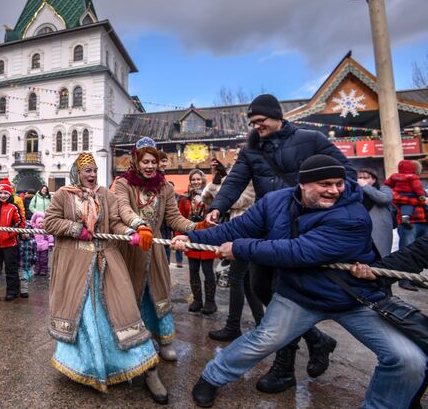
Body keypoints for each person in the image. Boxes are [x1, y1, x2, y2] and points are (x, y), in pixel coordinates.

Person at [172, 154, 427, 408]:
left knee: (408, 360)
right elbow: (237, 228)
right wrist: (192, 236)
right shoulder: (275, 201)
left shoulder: (353, 216)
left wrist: (239, 248)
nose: (335, 190)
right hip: (299, 293)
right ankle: (211, 377)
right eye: (325, 184)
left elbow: (297, 251)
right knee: (262, 340)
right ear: (303, 184)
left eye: (338, 183)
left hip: (352, 296)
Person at [204, 94, 349, 392]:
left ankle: (284, 369)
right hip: (266, 227)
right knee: (259, 287)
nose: (257, 127)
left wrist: (332, 208)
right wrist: (218, 206)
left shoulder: (311, 139)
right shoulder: (250, 151)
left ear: (277, 117)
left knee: (285, 295)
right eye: (252, 123)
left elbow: (344, 171)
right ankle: (317, 339)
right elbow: (235, 181)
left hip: (302, 230)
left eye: (261, 121)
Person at [44, 152, 167, 403]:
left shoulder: (105, 195)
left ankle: (147, 369)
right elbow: (50, 222)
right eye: (87, 171)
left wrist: (134, 230)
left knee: (125, 313)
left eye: (94, 171)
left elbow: (116, 221)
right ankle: (88, 367)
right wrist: (76, 229)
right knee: (85, 320)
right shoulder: (63, 195)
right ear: (77, 173)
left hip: (107, 262)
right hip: (76, 268)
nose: (92, 175)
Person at [113, 137, 199, 363]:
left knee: (159, 291)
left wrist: (196, 227)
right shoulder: (123, 183)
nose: (150, 166)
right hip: (132, 245)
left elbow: (173, 217)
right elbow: (122, 208)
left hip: (156, 248)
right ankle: (139, 340)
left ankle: (164, 339)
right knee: (133, 293)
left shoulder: (165, 187)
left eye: (154, 161)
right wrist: (139, 226)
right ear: (136, 161)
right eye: (145, 161)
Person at [202, 157, 264, 341]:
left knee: (237, 280)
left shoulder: (254, 177)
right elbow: (208, 196)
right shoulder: (237, 175)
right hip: (239, 230)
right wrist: (217, 179)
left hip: (247, 231)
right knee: (247, 282)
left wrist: (224, 183)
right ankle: (262, 324)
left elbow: (235, 200)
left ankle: (233, 326)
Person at [179, 168, 218, 314]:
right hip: (191, 238)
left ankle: (210, 302)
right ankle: (197, 300)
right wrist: (179, 236)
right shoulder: (185, 199)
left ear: (203, 180)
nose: (196, 182)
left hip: (207, 238)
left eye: (198, 179)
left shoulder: (211, 198)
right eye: (193, 180)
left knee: (208, 271)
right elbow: (180, 219)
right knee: (193, 271)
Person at [391, 174, 428, 292]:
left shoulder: (419, 187)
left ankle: (416, 278)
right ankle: (404, 280)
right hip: (409, 223)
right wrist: (420, 200)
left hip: (424, 221)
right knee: (407, 251)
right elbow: (395, 198)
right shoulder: (398, 188)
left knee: (421, 252)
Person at [383, 160, 425, 229]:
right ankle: (405, 218)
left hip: (423, 222)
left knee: (407, 206)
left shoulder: (394, 176)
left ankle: (405, 217)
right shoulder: (413, 178)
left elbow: (387, 183)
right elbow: (418, 188)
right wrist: (422, 199)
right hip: (412, 223)